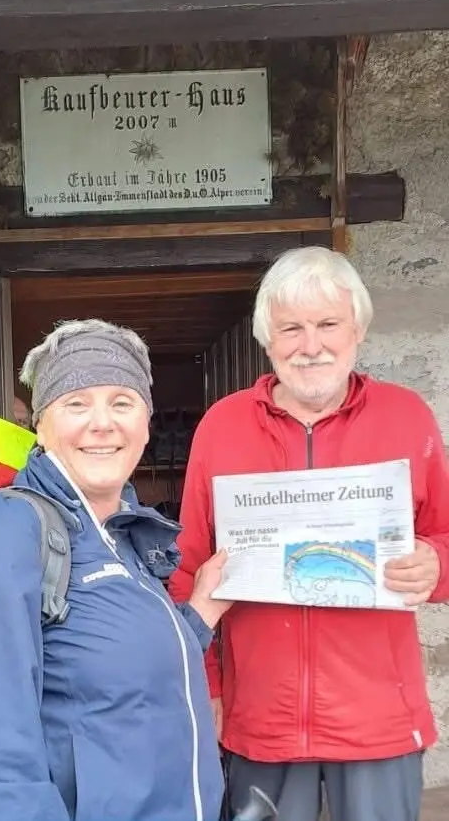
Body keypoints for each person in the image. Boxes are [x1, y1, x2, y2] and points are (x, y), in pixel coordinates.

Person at [168, 245, 449, 821]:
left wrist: (435, 565)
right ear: (267, 339)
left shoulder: (407, 417)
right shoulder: (222, 425)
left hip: (377, 720)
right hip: (263, 720)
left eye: (327, 324)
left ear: (358, 331)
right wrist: (208, 687)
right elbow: (187, 567)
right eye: (291, 328)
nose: (311, 345)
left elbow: (444, 537)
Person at [0, 318, 233, 821]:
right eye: (76, 403)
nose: (102, 423)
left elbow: (117, 677)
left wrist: (201, 612)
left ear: (146, 424)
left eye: (122, 403)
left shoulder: (123, 540)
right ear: (40, 425)